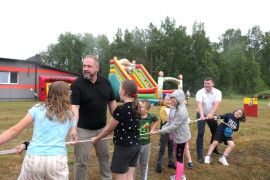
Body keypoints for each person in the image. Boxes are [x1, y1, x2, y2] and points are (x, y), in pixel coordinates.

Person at [0, 81, 77, 179]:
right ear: (66, 95)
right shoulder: (70, 114)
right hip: (57, 161)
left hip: (34, 159)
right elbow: (72, 133)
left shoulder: (37, 108)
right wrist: (25, 145)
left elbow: (14, 131)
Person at [70, 55, 117, 180]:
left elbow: (112, 102)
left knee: (105, 157)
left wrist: (117, 121)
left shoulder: (106, 82)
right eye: (84, 66)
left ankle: (107, 178)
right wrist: (73, 128)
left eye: (89, 66)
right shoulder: (76, 85)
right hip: (83, 130)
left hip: (102, 128)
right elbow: (74, 107)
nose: (85, 69)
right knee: (81, 161)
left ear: (97, 68)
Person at [91, 80, 141, 180]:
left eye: (119, 88)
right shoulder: (137, 107)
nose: (118, 91)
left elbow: (109, 129)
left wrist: (97, 139)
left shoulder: (120, 109)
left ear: (123, 92)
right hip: (136, 146)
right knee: (129, 176)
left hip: (124, 148)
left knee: (121, 176)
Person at [157, 89, 191, 180]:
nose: (171, 100)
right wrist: (163, 128)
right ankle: (181, 175)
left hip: (182, 137)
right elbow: (169, 122)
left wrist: (161, 131)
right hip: (176, 136)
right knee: (178, 156)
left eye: (174, 98)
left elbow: (174, 126)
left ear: (179, 99)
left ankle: (178, 178)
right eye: (171, 97)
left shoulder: (181, 111)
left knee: (179, 157)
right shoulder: (173, 109)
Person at [196, 77, 223, 164]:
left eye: (208, 83)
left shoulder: (218, 92)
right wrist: (201, 115)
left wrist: (211, 114)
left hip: (212, 114)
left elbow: (216, 104)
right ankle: (199, 155)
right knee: (200, 133)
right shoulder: (200, 92)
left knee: (215, 132)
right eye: (205, 83)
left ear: (213, 84)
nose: (206, 85)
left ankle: (214, 148)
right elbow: (199, 105)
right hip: (201, 114)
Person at [134, 99, 158, 180]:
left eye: (140, 107)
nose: (138, 109)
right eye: (137, 107)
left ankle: (143, 178)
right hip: (135, 144)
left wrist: (152, 129)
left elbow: (156, 120)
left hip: (146, 144)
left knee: (144, 164)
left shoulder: (150, 116)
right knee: (134, 164)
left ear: (147, 110)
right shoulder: (135, 116)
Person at [156, 95, 176, 173]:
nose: (169, 101)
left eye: (170, 100)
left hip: (172, 130)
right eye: (167, 100)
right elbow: (164, 120)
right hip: (165, 131)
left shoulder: (174, 109)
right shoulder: (162, 109)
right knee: (162, 148)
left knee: (171, 147)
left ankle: (170, 162)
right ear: (164, 101)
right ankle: (158, 165)